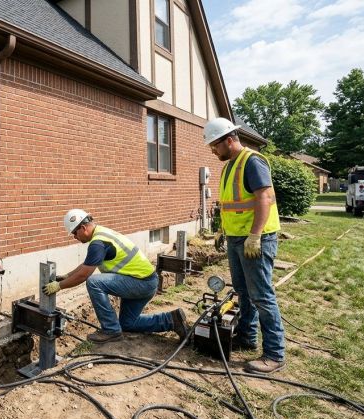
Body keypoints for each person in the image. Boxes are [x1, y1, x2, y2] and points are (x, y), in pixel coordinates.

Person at [204, 117, 286, 374]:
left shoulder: (252, 161)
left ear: (229, 140)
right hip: (236, 237)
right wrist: (221, 230)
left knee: (261, 295)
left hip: (255, 239)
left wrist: (255, 235)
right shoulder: (229, 166)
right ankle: (247, 337)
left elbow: (264, 198)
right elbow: (231, 203)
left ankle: (274, 354)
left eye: (215, 146)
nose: (213, 151)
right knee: (242, 291)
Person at [42, 209, 188, 344]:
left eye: (75, 233)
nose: (75, 237)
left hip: (141, 283)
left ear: (83, 228)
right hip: (144, 281)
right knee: (127, 323)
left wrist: (59, 286)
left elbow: (85, 274)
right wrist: (67, 276)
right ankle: (171, 320)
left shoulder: (98, 243)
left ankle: (110, 330)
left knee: (94, 282)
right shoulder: (101, 234)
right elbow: (86, 265)